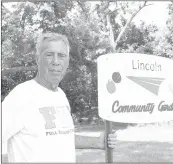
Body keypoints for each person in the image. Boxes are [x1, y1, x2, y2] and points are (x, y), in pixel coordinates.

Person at [2, 32, 117, 163]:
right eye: (49, 55)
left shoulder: (60, 95)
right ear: (37, 59)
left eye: (61, 56)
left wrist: (97, 142)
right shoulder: (20, 96)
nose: (56, 62)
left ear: (67, 61)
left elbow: (62, 135)